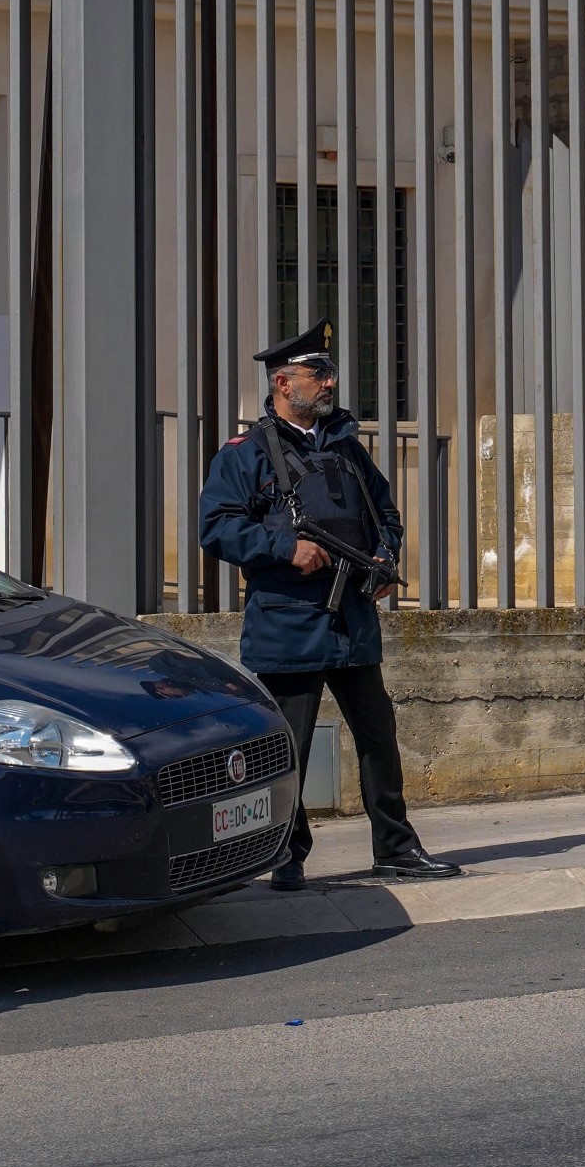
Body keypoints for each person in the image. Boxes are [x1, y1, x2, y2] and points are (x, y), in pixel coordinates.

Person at [195, 319, 465, 892]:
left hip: (353, 620)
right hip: (288, 621)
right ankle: (285, 856)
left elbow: (386, 516)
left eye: (330, 374)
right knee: (288, 746)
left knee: (378, 737)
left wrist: (385, 562)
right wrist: (283, 547)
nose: (329, 384)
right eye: (318, 374)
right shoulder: (246, 454)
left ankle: (396, 847)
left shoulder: (346, 448)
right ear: (283, 382)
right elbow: (216, 528)